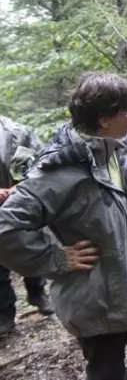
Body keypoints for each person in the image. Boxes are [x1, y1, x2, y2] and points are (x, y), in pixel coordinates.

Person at [0, 72, 127, 380]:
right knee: (107, 373)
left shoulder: (122, 153)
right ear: (104, 119)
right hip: (98, 300)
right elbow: (5, 229)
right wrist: (56, 258)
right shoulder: (56, 173)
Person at [0, 115, 54, 335]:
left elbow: (38, 167)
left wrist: (16, 190)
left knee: (29, 245)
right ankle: (4, 314)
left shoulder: (15, 131)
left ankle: (37, 292)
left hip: (21, 203)